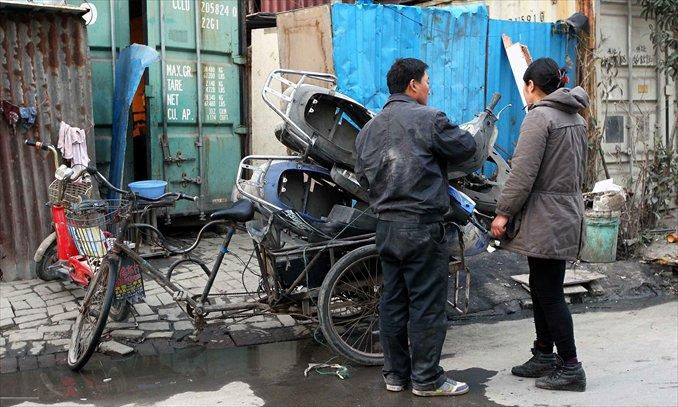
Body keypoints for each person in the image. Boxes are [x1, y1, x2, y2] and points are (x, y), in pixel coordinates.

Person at [355, 58, 476, 397]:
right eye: (426, 81)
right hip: (422, 228)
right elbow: (467, 148)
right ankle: (427, 380)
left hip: (386, 228)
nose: (429, 87)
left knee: (392, 302)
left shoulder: (369, 130)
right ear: (412, 85)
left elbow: (362, 176)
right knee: (425, 304)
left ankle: (395, 376)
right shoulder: (429, 119)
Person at [491, 57, 589, 392]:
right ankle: (544, 354)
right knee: (543, 284)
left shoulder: (539, 117)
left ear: (532, 86)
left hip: (547, 215)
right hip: (566, 211)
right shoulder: (575, 116)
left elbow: (522, 173)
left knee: (548, 292)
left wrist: (503, 212)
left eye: (525, 86)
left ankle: (571, 366)